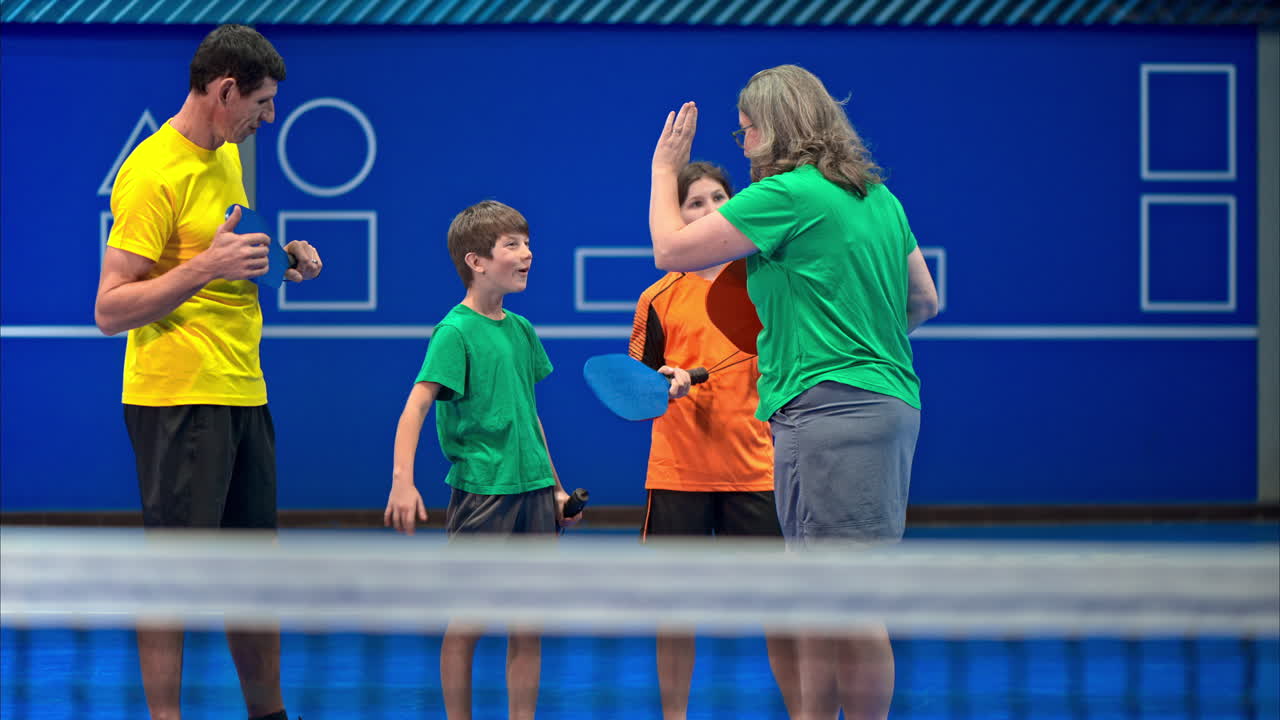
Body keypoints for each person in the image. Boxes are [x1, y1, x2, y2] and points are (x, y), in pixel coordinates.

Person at [648, 65, 940, 720]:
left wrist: (666, 168)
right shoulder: (878, 199)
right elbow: (924, 299)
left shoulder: (787, 194)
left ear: (777, 129)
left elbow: (671, 249)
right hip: (889, 403)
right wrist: (857, 334)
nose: (742, 139)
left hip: (827, 410)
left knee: (848, 601)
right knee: (821, 592)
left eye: (747, 128)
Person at [93, 24, 321, 720]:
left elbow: (225, 259)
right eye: (263, 101)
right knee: (175, 580)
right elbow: (109, 307)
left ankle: (271, 716)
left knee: (254, 576)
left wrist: (283, 261)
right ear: (225, 91)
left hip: (243, 393)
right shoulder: (151, 172)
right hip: (178, 401)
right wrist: (204, 268)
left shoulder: (226, 156)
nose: (270, 117)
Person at [384, 200, 582, 720]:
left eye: (527, 243)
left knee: (528, 624)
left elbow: (529, 416)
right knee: (467, 622)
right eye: (512, 245)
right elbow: (416, 405)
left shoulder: (521, 330)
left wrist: (556, 487)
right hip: (482, 494)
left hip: (534, 492)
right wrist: (403, 482)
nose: (527, 254)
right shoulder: (454, 333)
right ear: (476, 260)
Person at [629, 161, 800, 720]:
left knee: (783, 611)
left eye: (717, 199)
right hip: (678, 473)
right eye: (693, 203)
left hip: (756, 470)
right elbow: (633, 391)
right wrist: (661, 384)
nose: (708, 211)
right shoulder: (657, 297)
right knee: (673, 611)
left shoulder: (766, 284)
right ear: (675, 216)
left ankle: (805, 713)